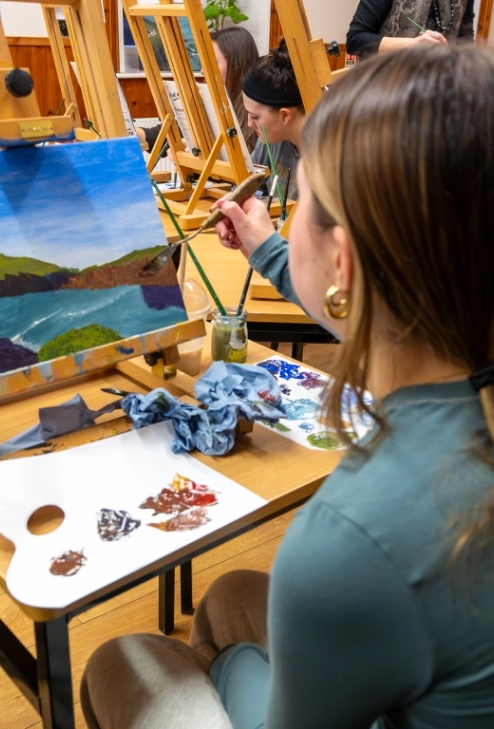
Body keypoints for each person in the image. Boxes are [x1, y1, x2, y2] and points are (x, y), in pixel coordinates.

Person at [81, 45, 494, 729]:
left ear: (344, 260)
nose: (283, 209)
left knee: (121, 658)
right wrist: (265, 244)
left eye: (301, 200)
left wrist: (231, 670)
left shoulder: (357, 531)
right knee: (228, 598)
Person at [136, 26, 259, 154]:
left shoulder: (256, 110)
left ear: (237, 64)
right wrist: (129, 132)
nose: (203, 71)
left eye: (213, 63)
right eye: (204, 64)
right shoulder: (211, 101)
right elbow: (173, 131)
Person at [245, 39, 305, 201]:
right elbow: (248, 184)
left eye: (255, 117)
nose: (250, 124)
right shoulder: (271, 138)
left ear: (285, 115)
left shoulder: (330, 156)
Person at [347, 0, 475, 57]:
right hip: (385, 91)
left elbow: (465, 37)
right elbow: (355, 40)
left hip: (438, 94)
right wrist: (414, 44)